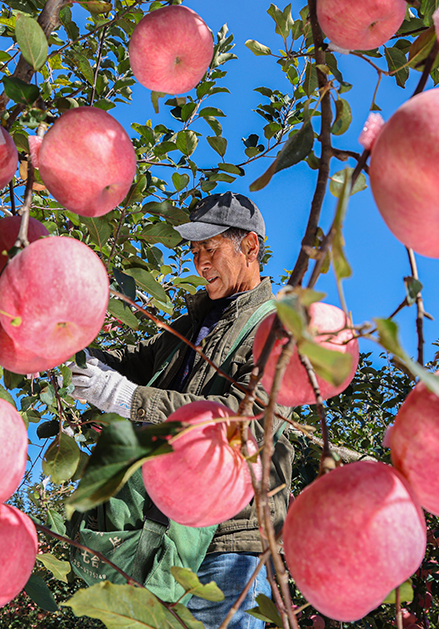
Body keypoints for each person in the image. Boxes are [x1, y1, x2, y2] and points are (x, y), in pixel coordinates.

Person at [70, 191, 294, 629]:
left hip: (229, 543)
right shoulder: (189, 326)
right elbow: (130, 362)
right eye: (194, 251)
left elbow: (252, 417)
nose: (200, 262)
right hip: (163, 537)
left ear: (249, 246)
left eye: (210, 247)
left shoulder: (279, 328)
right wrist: (65, 346)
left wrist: (129, 399)